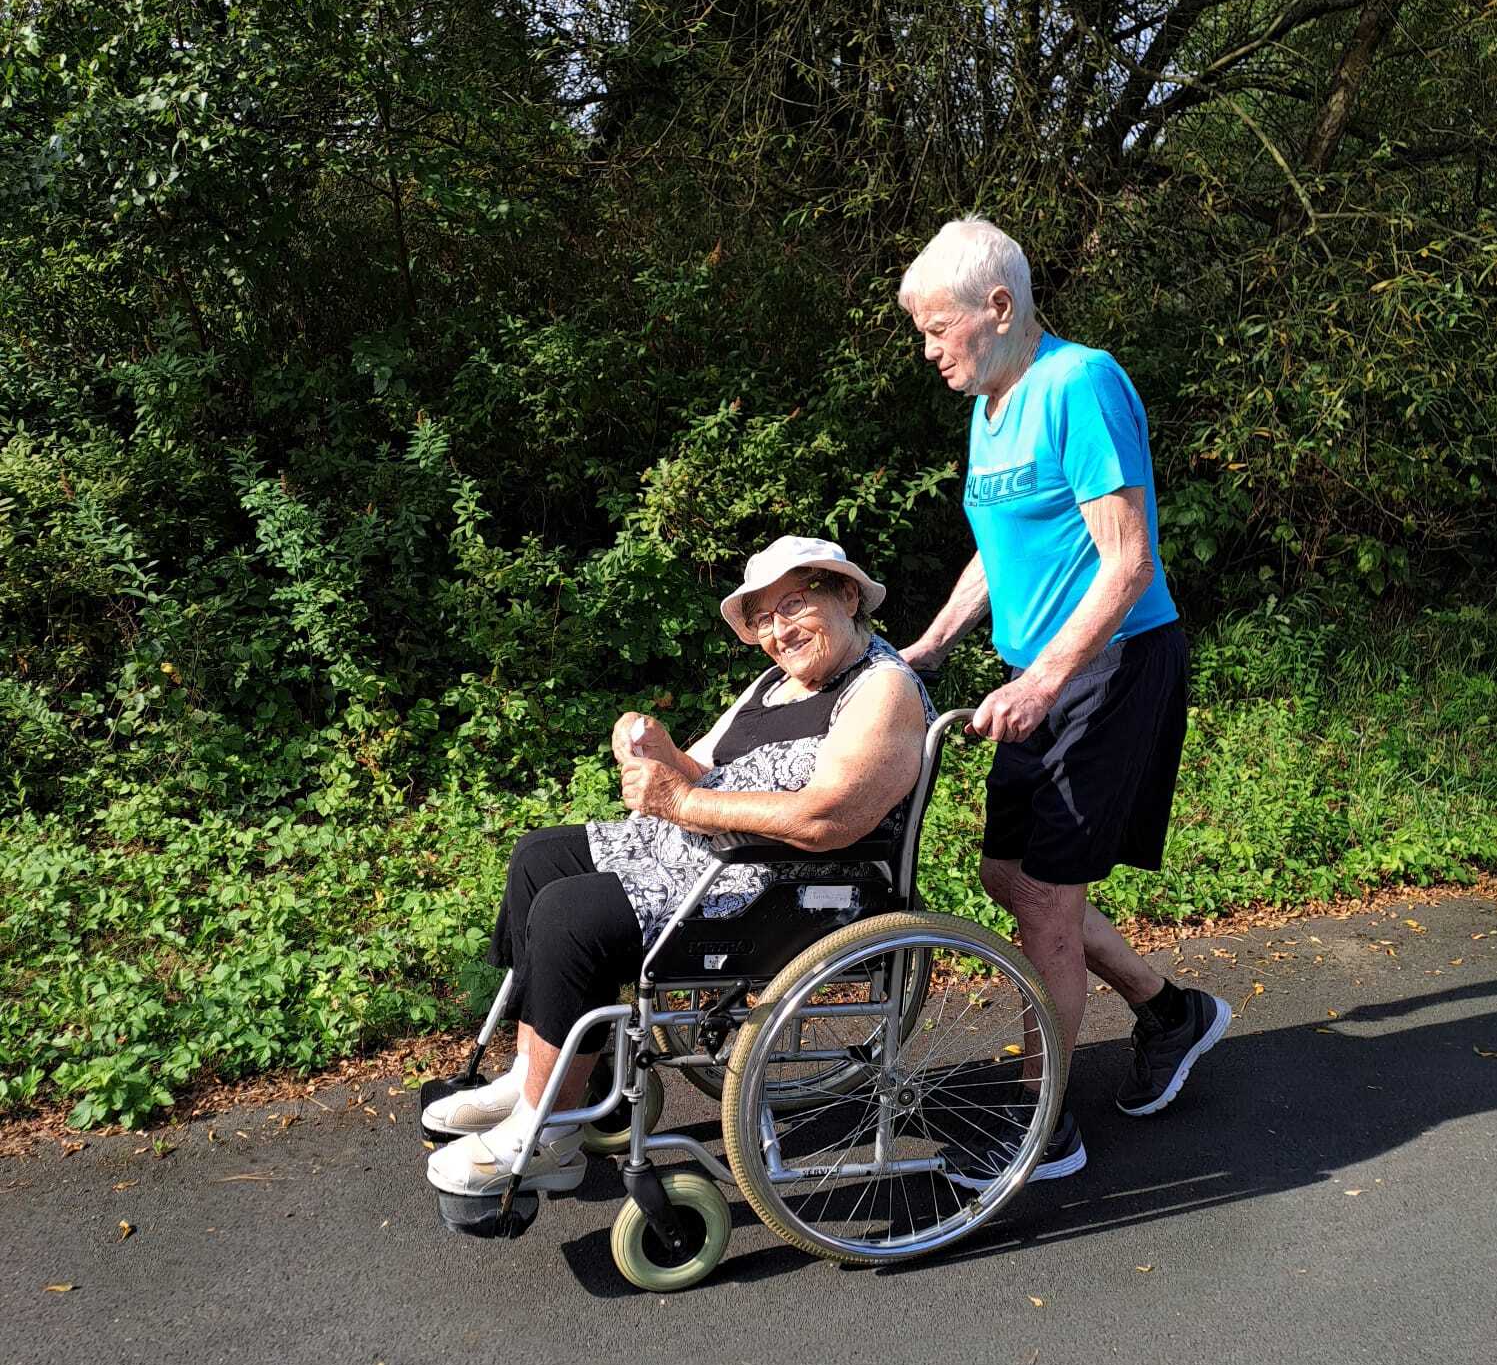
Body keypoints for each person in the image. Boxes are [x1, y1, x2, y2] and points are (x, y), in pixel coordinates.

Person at [424, 536, 933, 1201]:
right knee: (538, 858)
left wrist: (685, 803)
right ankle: (531, 1078)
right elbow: (699, 769)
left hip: (785, 888)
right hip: (708, 856)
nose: (779, 631)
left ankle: (547, 1136)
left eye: (794, 605)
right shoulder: (776, 684)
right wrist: (655, 747)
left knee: (572, 916)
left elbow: (828, 818)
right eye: (764, 619)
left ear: (846, 594)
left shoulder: (881, 690)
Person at [898, 217, 1229, 1181]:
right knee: (1008, 875)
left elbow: (1128, 564)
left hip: (1110, 666)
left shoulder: (1080, 383)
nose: (929, 351)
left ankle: (1045, 1126)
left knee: (1045, 897)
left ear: (999, 307)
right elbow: (1000, 552)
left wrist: (1043, 680)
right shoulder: (990, 406)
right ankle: (1170, 1011)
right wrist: (929, 647)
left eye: (938, 329)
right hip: (1041, 676)